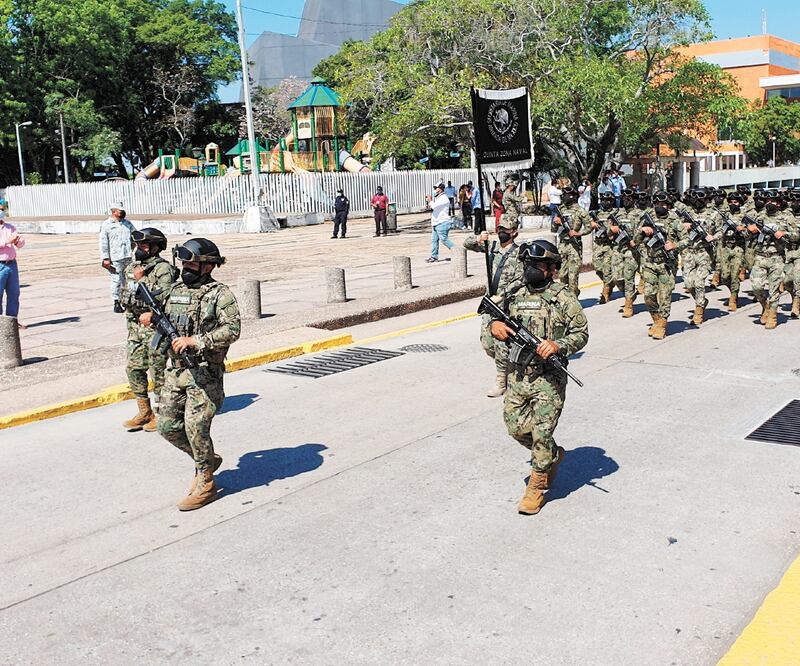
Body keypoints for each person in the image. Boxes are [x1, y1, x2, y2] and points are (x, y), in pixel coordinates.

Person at [490, 240, 589, 515]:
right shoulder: (515, 293)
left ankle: (536, 487)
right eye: (529, 265)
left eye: (538, 265)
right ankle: (553, 456)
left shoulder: (563, 297)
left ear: (552, 269)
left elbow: (581, 333)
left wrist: (558, 346)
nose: (532, 270)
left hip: (549, 379)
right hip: (520, 375)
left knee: (542, 433)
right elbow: (493, 320)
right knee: (515, 427)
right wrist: (495, 325)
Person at [142, 238, 241, 510]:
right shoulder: (176, 289)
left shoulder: (220, 294)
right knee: (167, 427)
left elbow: (232, 330)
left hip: (204, 373)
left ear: (208, 266)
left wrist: (197, 341)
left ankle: (206, 482)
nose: (185, 267)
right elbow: (159, 311)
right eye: (183, 262)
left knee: (196, 427)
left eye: (191, 262)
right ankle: (207, 459)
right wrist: (151, 318)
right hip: (175, 372)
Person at [119, 228, 178, 431]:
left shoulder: (163, 269)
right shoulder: (132, 268)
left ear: (155, 247)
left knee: (158, 372)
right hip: (135, 328)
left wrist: (142, 280)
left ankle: (162, 414)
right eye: (137, 245)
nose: (139, 249)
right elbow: (124, 294)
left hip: (155, 328)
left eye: (144, 245)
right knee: (134, 369)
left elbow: (165, 298)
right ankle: (144, 411)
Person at [464, 215, 523, 397]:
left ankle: (502, 380)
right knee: (487, 343)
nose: (501, 232)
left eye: (505, 230)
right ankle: (508, 367)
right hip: (490, 303)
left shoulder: (519, 253)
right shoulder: (493, 247)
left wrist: (503, 296)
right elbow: (467, 244)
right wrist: (478, 238)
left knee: (500, 344)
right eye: (499, 229)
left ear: (514, 232)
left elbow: (521, 280)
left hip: (506, 305)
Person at [635, 192, 688, 339]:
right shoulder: (648, 218)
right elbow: (635, 240)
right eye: (657, 204)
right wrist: (642, 232)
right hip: (650, 263)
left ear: (669, 206)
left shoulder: (674, 221)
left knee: (665, 297)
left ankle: (662, 325)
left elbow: (687, 240)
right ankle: (657, 320)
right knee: (648, 296)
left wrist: (675, 245)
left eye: (663, 204)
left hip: (667, 265)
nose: (660, 207)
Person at [748, 191, 792, 329]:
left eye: (772, 201)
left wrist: (785, 233)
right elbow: (746, 236)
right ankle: (765, 306)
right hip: (760, 256)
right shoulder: (759, 218)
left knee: (774, 289)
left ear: (778, 203)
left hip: (776, 257)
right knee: (756, 287)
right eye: (767, 200)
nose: (769, 203)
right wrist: (750, 231)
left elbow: (796, 235)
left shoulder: (786, 217)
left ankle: (772, 315)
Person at [679, 190, 719, 326]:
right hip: (689, 252)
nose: (697, 201)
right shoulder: (687, 213)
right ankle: (700, 300)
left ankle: (699, 310)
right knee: (689, 283)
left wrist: (713, 237)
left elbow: (721, 230)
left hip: (705, 252)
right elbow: (676, 229)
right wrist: (684, 226)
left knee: (699, 282)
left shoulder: (713, 214)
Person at [551, 186, 591, 296]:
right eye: (565, 195)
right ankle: (568, 296)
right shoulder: (561, 210)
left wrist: (578, 233)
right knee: (562, 275)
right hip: (563, 245)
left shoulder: (580, 211)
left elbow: (589, 227)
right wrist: (555, 222)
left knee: (573, 276)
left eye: (569, 195)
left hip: (574, 245)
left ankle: (573, 299)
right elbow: (553, 230)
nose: (566, 197)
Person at [608, 189, 640, 317]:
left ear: (634, 199)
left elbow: (642, 232)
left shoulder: (640, 214)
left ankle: (628, 304)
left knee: (628, 277)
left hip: (632, 250)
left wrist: (635, 240)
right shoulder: (616, 214)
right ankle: (631, 294)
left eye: (630, 198)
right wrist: (612, 230)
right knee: (616, 278)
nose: (627, 200)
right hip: (618, 249)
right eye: (625, 198)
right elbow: (608, 234)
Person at [99, 202, 135, 312]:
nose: (123, 212)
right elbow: (103, 243)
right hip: (115, 257)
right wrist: (105, 258)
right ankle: (116, 301)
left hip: (127, 256)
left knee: (130, 279)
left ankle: (129, 300)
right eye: (120, 211)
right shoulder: (107, 225)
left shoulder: (127, 223)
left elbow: (135, 235)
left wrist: (134, 245)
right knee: (117, 280)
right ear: (114, 211)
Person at [716, 192, 748, 311]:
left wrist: (741, 229)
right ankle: (733, 290)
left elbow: (748, 234)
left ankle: (733, 297)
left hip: (738, 248)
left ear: (739, 203)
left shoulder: (744, 216)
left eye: (735, 202)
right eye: (730, 202)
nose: (732, 204)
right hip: (725, 247)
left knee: (734, 275)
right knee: (724, 276)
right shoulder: (724, 216)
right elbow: (719, 230)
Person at [592, 192, 616, 303]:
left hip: (609, 245)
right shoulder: (598, 213)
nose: (604, 202)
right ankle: (609, 283)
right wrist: (592, 224)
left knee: (607, 269)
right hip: (598, 244)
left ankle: (606, 292)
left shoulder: (615, 214)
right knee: (597, 267)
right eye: (603, 199)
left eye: (607, 200)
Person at [0, 210, 25, 319]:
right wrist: (6, 241)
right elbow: (6, 241)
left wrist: (17, 241)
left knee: (14, 293)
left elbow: (20, 243)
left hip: (11, 264)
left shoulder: (9, 227)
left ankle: (12, 321)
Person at [426, 181, 455, 263]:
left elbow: (434, 206)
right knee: (434, 240)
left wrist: (430, 200)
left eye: (436, 188)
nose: (435, 190)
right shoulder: (439, 198)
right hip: (436, 222)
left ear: (441, 189)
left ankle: (457, 251)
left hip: (442, 222)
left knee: (444, 239)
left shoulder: (444, 198)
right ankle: (434, 256)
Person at [785, 191, 800, 318]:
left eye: (798, 201)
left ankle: (796, 304)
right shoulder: (786, 216)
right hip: (788, 252)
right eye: (794, 201)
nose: (796, 204)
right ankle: (794, 297)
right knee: (787, 281)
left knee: (797, 279)